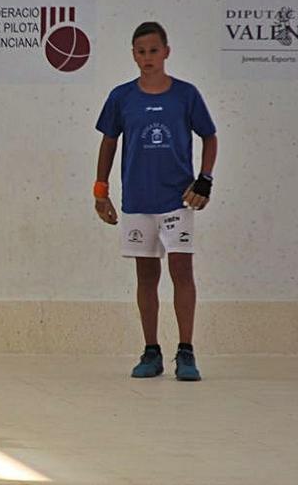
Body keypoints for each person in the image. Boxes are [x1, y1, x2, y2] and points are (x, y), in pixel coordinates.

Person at [93, 22, 217, 381]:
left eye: (153, 50)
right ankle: (151, 351)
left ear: (166, 51)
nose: (147, 57)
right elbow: (108, 143)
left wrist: (204, 180)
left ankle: (186, 352)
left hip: (178, 200)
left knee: (182, 273)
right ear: (133, 54)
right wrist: (101, 191)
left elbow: (209, 136)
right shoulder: (121, 97)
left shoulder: (186, 95)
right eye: (140, 51)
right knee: (146, 277)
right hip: (137, 201)